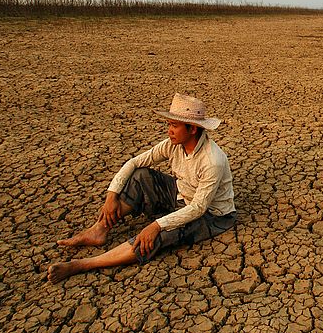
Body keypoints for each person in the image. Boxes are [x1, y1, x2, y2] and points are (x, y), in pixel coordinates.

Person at [48, 93, 236, 284]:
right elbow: (134, 162)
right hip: (181, 194)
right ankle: (99, 231)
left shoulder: (212, 161)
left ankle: (84, 264)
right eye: (169, 124)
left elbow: (198, 208)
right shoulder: (173, 145)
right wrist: (111, 196)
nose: (169, 131)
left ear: (193, 129)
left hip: (211, 215)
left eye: (175, 126)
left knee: (155, 236)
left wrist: (156, 225)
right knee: (141, 176)